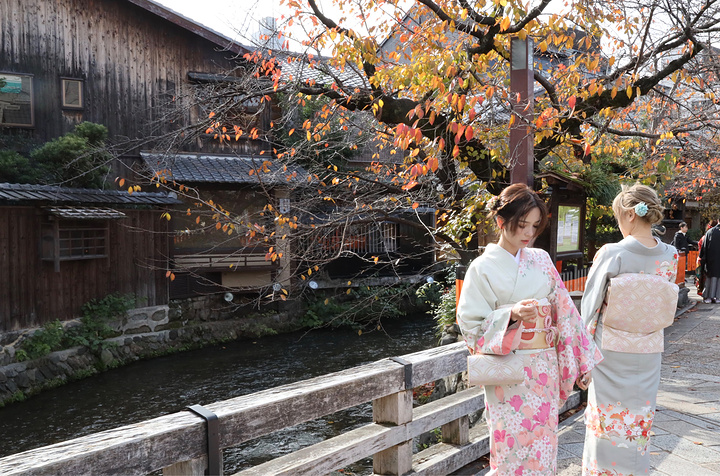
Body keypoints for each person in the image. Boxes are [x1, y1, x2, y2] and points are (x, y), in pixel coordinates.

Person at [457, 183, 603, 475]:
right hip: (508, 369)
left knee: (544, 444)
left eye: (534, 226)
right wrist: (510, 314)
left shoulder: (542, 260)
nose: (528, 233)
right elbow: (470, 324)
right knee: (509, 443)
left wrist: (581, 359)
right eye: (522, 225)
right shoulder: (481, 268)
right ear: (501, 222)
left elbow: (565, 311)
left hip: (543, 370)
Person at [580, 184, 679, 475]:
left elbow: (590, 307)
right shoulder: (670, 255)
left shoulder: (613, 253)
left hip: (610, 353)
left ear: (630, 215)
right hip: (648, 351)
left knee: (606, 422)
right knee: (637, 421)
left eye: (618, 217)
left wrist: (582, 356)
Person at [700, 219, 720, 303]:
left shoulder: (710, 232)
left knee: (710, 278)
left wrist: (703, 258)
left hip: (710, 260)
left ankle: (708, 296)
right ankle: (718, 297)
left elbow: (703, 248)